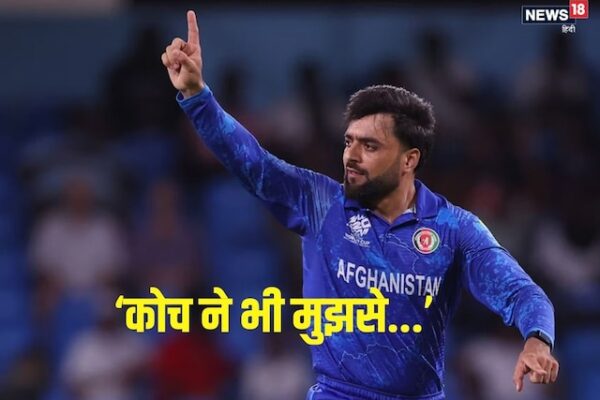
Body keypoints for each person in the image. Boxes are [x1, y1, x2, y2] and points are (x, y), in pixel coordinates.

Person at [161, 11, 559, 400]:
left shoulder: (455, 229)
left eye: (370, 146)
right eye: (349, 141)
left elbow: (520, 292)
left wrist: (537, 339)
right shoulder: (320, 203)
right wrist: (197, 96)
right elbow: (251, 161)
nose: (351, 155)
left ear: (409, 160)